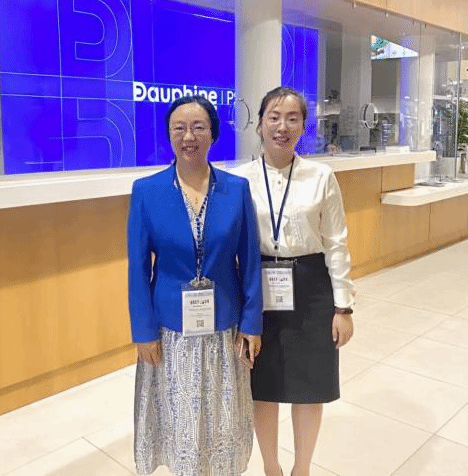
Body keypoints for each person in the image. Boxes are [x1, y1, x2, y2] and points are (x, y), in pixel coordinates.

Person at [128, 95, 263, 476]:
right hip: (170, 329)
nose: (189, 137)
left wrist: (252, 322)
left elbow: (249, 260)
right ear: (169, 135)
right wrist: (143, 331)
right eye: (179, 128)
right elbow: (138, 268)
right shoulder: (147, 191)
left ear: (213, 134)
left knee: (223, 417)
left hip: (225, 326)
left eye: (198, 127)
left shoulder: (236, 189)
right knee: (180, 419)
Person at [232, 86, 355, 476]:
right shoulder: (238, 180)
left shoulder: (321, 176)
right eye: (273, 117)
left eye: (292, 118)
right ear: (260, 124)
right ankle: (272, 467)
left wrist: (343, 307)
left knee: (309, 385)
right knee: (262, 385)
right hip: (258, 289)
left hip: (312, 287)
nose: (282, 126)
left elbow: (336, 243)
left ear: (303, 126)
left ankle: (302, 468)